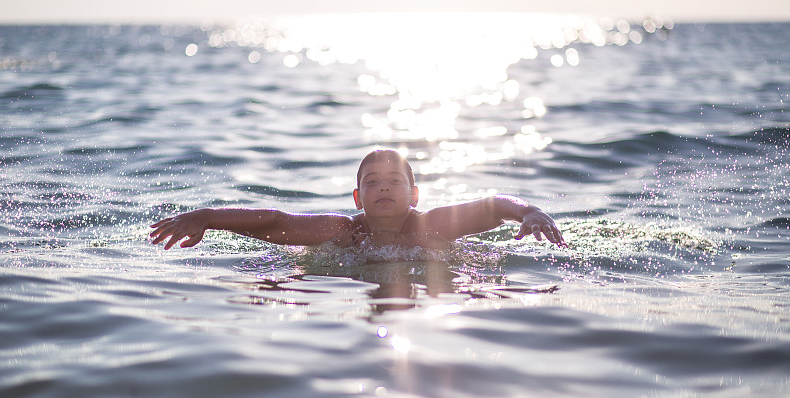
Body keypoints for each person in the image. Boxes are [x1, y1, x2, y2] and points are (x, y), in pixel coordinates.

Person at [149, 149, 566, 251]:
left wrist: (529, 212)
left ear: (414, 193)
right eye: (372, 182)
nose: (383, 188)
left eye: (394, 181)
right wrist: (206, 216)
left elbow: (491, 205)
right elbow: (274, 220)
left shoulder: (433, 224)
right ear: (358, 195)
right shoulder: (343, 231)